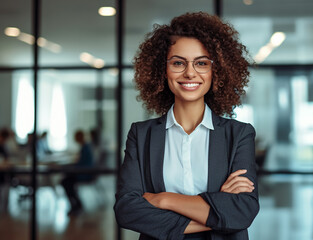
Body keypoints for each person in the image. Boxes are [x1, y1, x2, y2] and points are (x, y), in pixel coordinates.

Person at [114, 12, 259, 240]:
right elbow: (127, 211)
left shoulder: (239, 134)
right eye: (178, 63)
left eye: (201, 63)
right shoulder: (141, 134)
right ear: (163, 70)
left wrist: (163, 199)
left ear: (216, 70)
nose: (190, 72)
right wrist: (218, 211)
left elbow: (242, 212)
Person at [61, 130, 94, 215]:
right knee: (67, 180)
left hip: (84, 174)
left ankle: (76, 205)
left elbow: (83, 164)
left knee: (66, 182)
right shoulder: (86, 146)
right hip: (84, 172)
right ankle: (77, 203)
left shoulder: (85, 148)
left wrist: (72, 167)